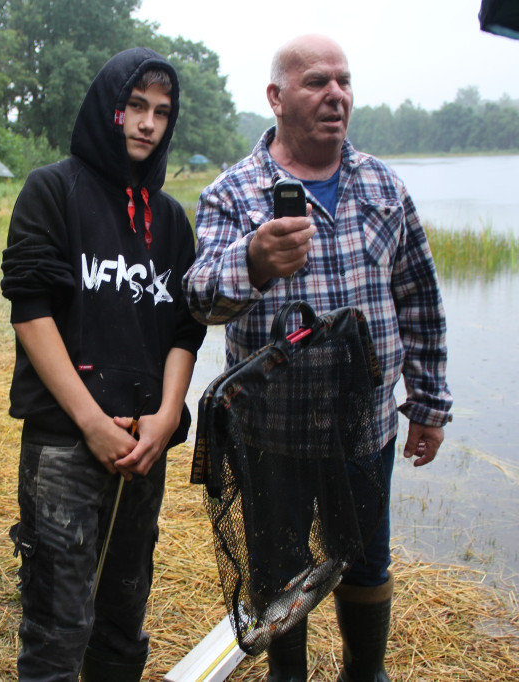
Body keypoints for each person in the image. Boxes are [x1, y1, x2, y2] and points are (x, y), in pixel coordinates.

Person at [182, 34, 452, 682]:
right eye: (316, 82)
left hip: (365, 429)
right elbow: (198, 295)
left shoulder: (383, 184)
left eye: (344, 81)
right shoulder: (235, 192)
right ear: (276, 98)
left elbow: (419, 297)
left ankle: (367, 674)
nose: (336, 94)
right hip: (271, 435)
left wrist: (429, 402)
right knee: (278, 569)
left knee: (366, 560)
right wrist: (252, 261)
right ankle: (287, 677)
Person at [0, 48, 206, 682]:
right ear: (108, 110)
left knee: (122, 618)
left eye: (161, 113)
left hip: (144, 449)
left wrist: (168, 417)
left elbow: (184, 330)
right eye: (134, 107)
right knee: (58, 628)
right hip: (66, 445)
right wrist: (91, 422)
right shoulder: (52, 191)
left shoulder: (171, 219)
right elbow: (31, 312)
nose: (147, 123)